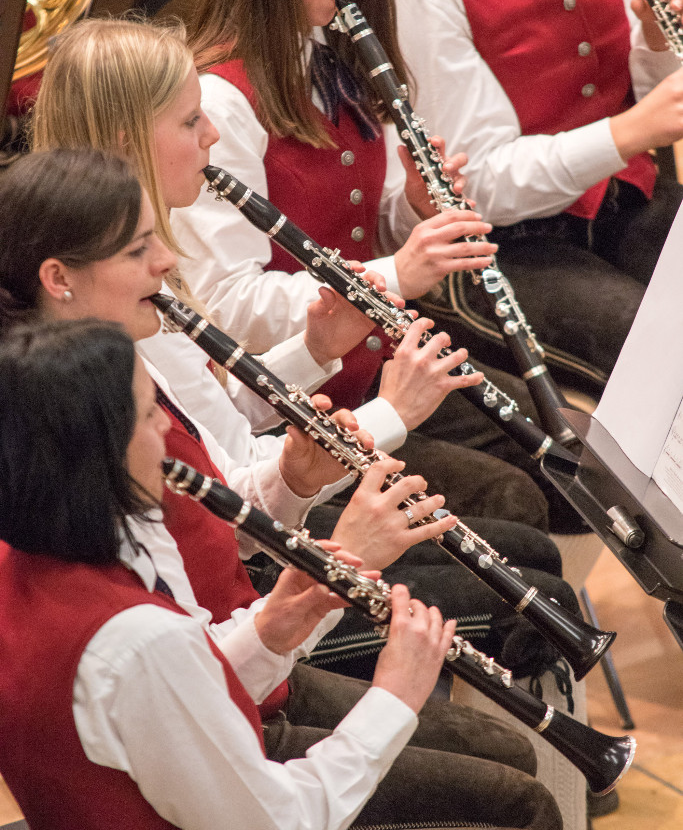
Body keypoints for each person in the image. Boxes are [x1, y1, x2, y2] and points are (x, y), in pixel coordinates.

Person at [0, 159, 563, 830]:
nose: (169, 432)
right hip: (236, 777)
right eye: (151, 416)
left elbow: (186, 682)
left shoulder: (57, 542)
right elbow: (277, 818)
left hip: (216, 678)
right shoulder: (134, 629)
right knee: (514, 798)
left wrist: (271, 628)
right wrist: (394, 695)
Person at [30, 55, 577, 674]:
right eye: (190, 121)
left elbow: (214, 421)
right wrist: (386, 416)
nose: (211, 133)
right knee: (531, 573)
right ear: (129, 140)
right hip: (246, 594)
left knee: (529, 546)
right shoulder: (110, 315)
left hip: (266, 532)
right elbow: (226, 495)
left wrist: (318, 350)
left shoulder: (133, 268)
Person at [170, 0, 574, 531]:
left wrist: (412, 208)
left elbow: (361, 214)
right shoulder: (218, 102)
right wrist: (397, 273)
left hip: (387, 369)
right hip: (297, 414)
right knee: (515, 504)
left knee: (573, 455)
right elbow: (226, 307)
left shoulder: (336, 45)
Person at [383, 0, 683, 383]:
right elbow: (477, 188)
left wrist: (653, 43)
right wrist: (630, 132)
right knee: (659, 348)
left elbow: (640, 90)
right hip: (507, 248)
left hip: (620, 197)